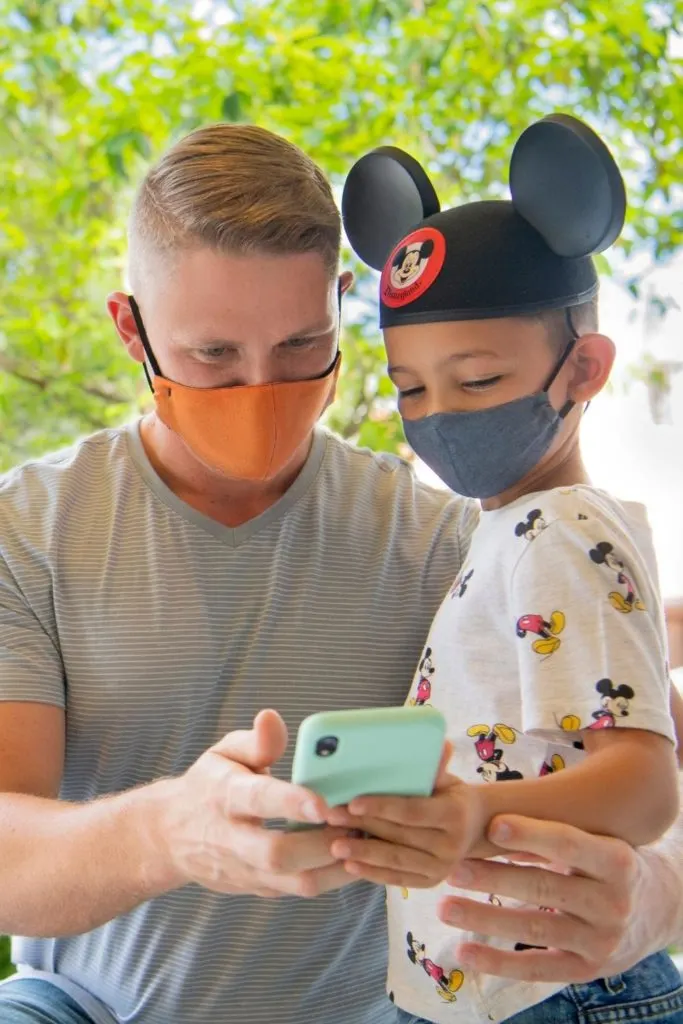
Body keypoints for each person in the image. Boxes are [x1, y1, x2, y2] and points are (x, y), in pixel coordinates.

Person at [0, 122, 681, 1024]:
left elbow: (638, 740)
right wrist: (172, 831)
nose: (261, 388)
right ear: (132, 328)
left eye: (298, 348)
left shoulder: (449, 542)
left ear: (344, 305)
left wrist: (652, 899)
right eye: (213, 356)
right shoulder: (31, 532)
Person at [335, 114, 683, 1024]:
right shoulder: (505, 530)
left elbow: (646, 783)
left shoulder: (563, 530)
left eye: (478, 382)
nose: (439, 414)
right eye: (411, 389)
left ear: (584, 368)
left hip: (558, 994)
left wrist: (471, 818)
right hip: (492, 988)